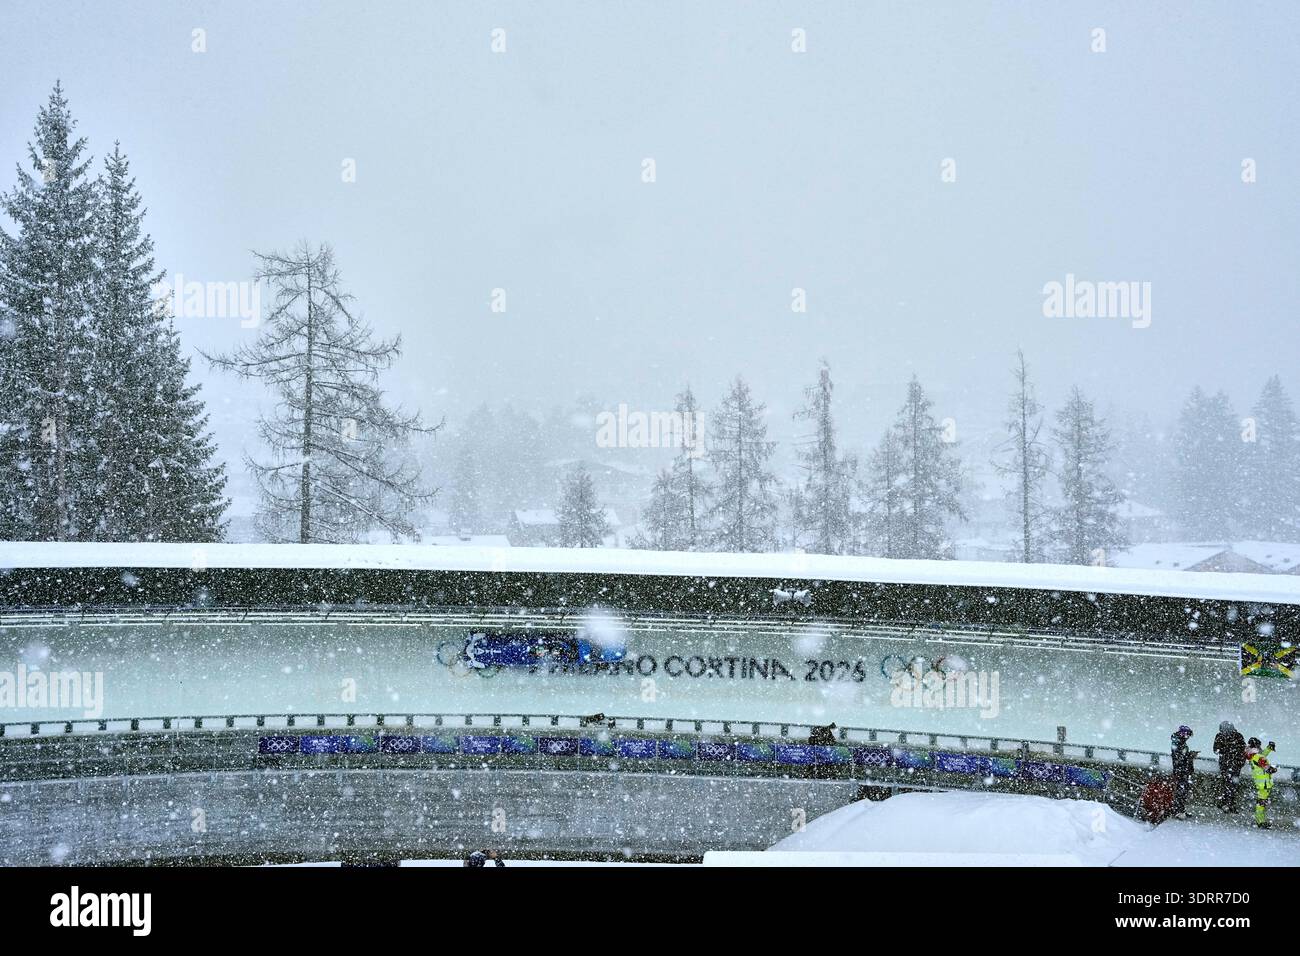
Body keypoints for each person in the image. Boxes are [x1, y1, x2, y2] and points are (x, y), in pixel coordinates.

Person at [1212, 721, 1247, 813]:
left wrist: (1228, 750)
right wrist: (1232, 750)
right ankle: (1227, 804)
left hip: (1231, 764)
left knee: (1230, 785)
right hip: (1230, 764)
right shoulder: (1235, 736)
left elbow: (1216, 750)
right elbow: (1216, 749)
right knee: (1229, 784)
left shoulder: (1236, 736)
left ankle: (1227, 804)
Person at [1246, 737, 1278, 829]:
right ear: (1257, 746)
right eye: (1259, 745)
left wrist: (1269, 748)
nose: (1260, 747)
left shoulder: (1253, 755)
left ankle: (1259, 820)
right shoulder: (1258, 757)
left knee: (1261, 802)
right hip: (1264, 783)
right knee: (1261, 803)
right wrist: (1273, 769)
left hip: (1260, 783)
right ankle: (1260, 822)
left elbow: (1262, 756)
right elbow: (1267, 768)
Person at [1169, 725, 1197, 820]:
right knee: (1181, 791)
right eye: (1187, 735)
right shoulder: (1178, 742)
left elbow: (1181, 757)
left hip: (1183, 770)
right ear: (1183, 734)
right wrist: (1190, 756)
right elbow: (1179, 758)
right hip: (1181, 770)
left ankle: (1180, 810)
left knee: (1183, 791)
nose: (1188, 737)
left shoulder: (1179, 741)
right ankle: (1178, 811)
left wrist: (1189, 755)